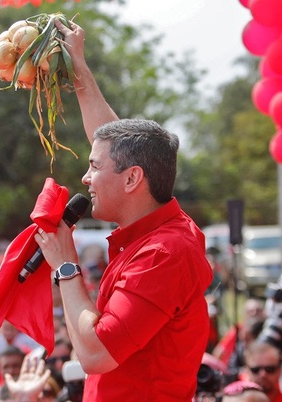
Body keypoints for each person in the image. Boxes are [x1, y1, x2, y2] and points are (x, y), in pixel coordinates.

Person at [31, 19, 214, 401]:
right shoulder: (161, 226)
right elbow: (116, 140)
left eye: (93, 167)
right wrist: (78, 70)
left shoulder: (164, 253)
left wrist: (66, 266)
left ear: (132, 180)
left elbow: (96, 354)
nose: (85, 178)